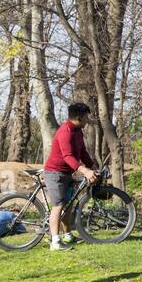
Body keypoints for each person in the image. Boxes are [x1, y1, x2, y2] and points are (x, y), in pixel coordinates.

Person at [43, 101, 99, 251]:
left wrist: (93, 167)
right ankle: (55, 242)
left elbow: (82, 153)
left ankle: (67, 235)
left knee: (68, 205)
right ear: (79, 117)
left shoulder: (77, 131)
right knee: (58, 206)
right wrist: (85, 171)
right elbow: (68, 156)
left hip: (67, 173)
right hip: (55, 173)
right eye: (86, 117)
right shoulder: (65, 132)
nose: (88, 120)